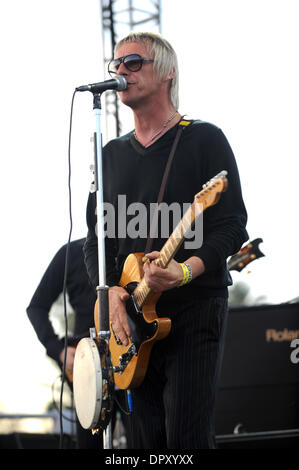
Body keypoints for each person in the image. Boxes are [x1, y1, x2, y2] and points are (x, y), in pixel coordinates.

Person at [84, 31, 248, 449]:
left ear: (168, 72)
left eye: (134, 62)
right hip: (131, 325)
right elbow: (94, 241)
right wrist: (110, 293)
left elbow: (232, 227)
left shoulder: (204, 139)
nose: (122, 70)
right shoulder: (110, 156)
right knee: (143, 444)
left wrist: (185, 272)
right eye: (116, 64)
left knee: (187, 441)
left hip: (193, 311)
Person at [26, 238, 101, 449]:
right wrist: (58, 350)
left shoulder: (132, 243)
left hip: (133, 357)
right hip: (85, 367)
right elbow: (36, 307)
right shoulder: (71, 252)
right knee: (90, 441)